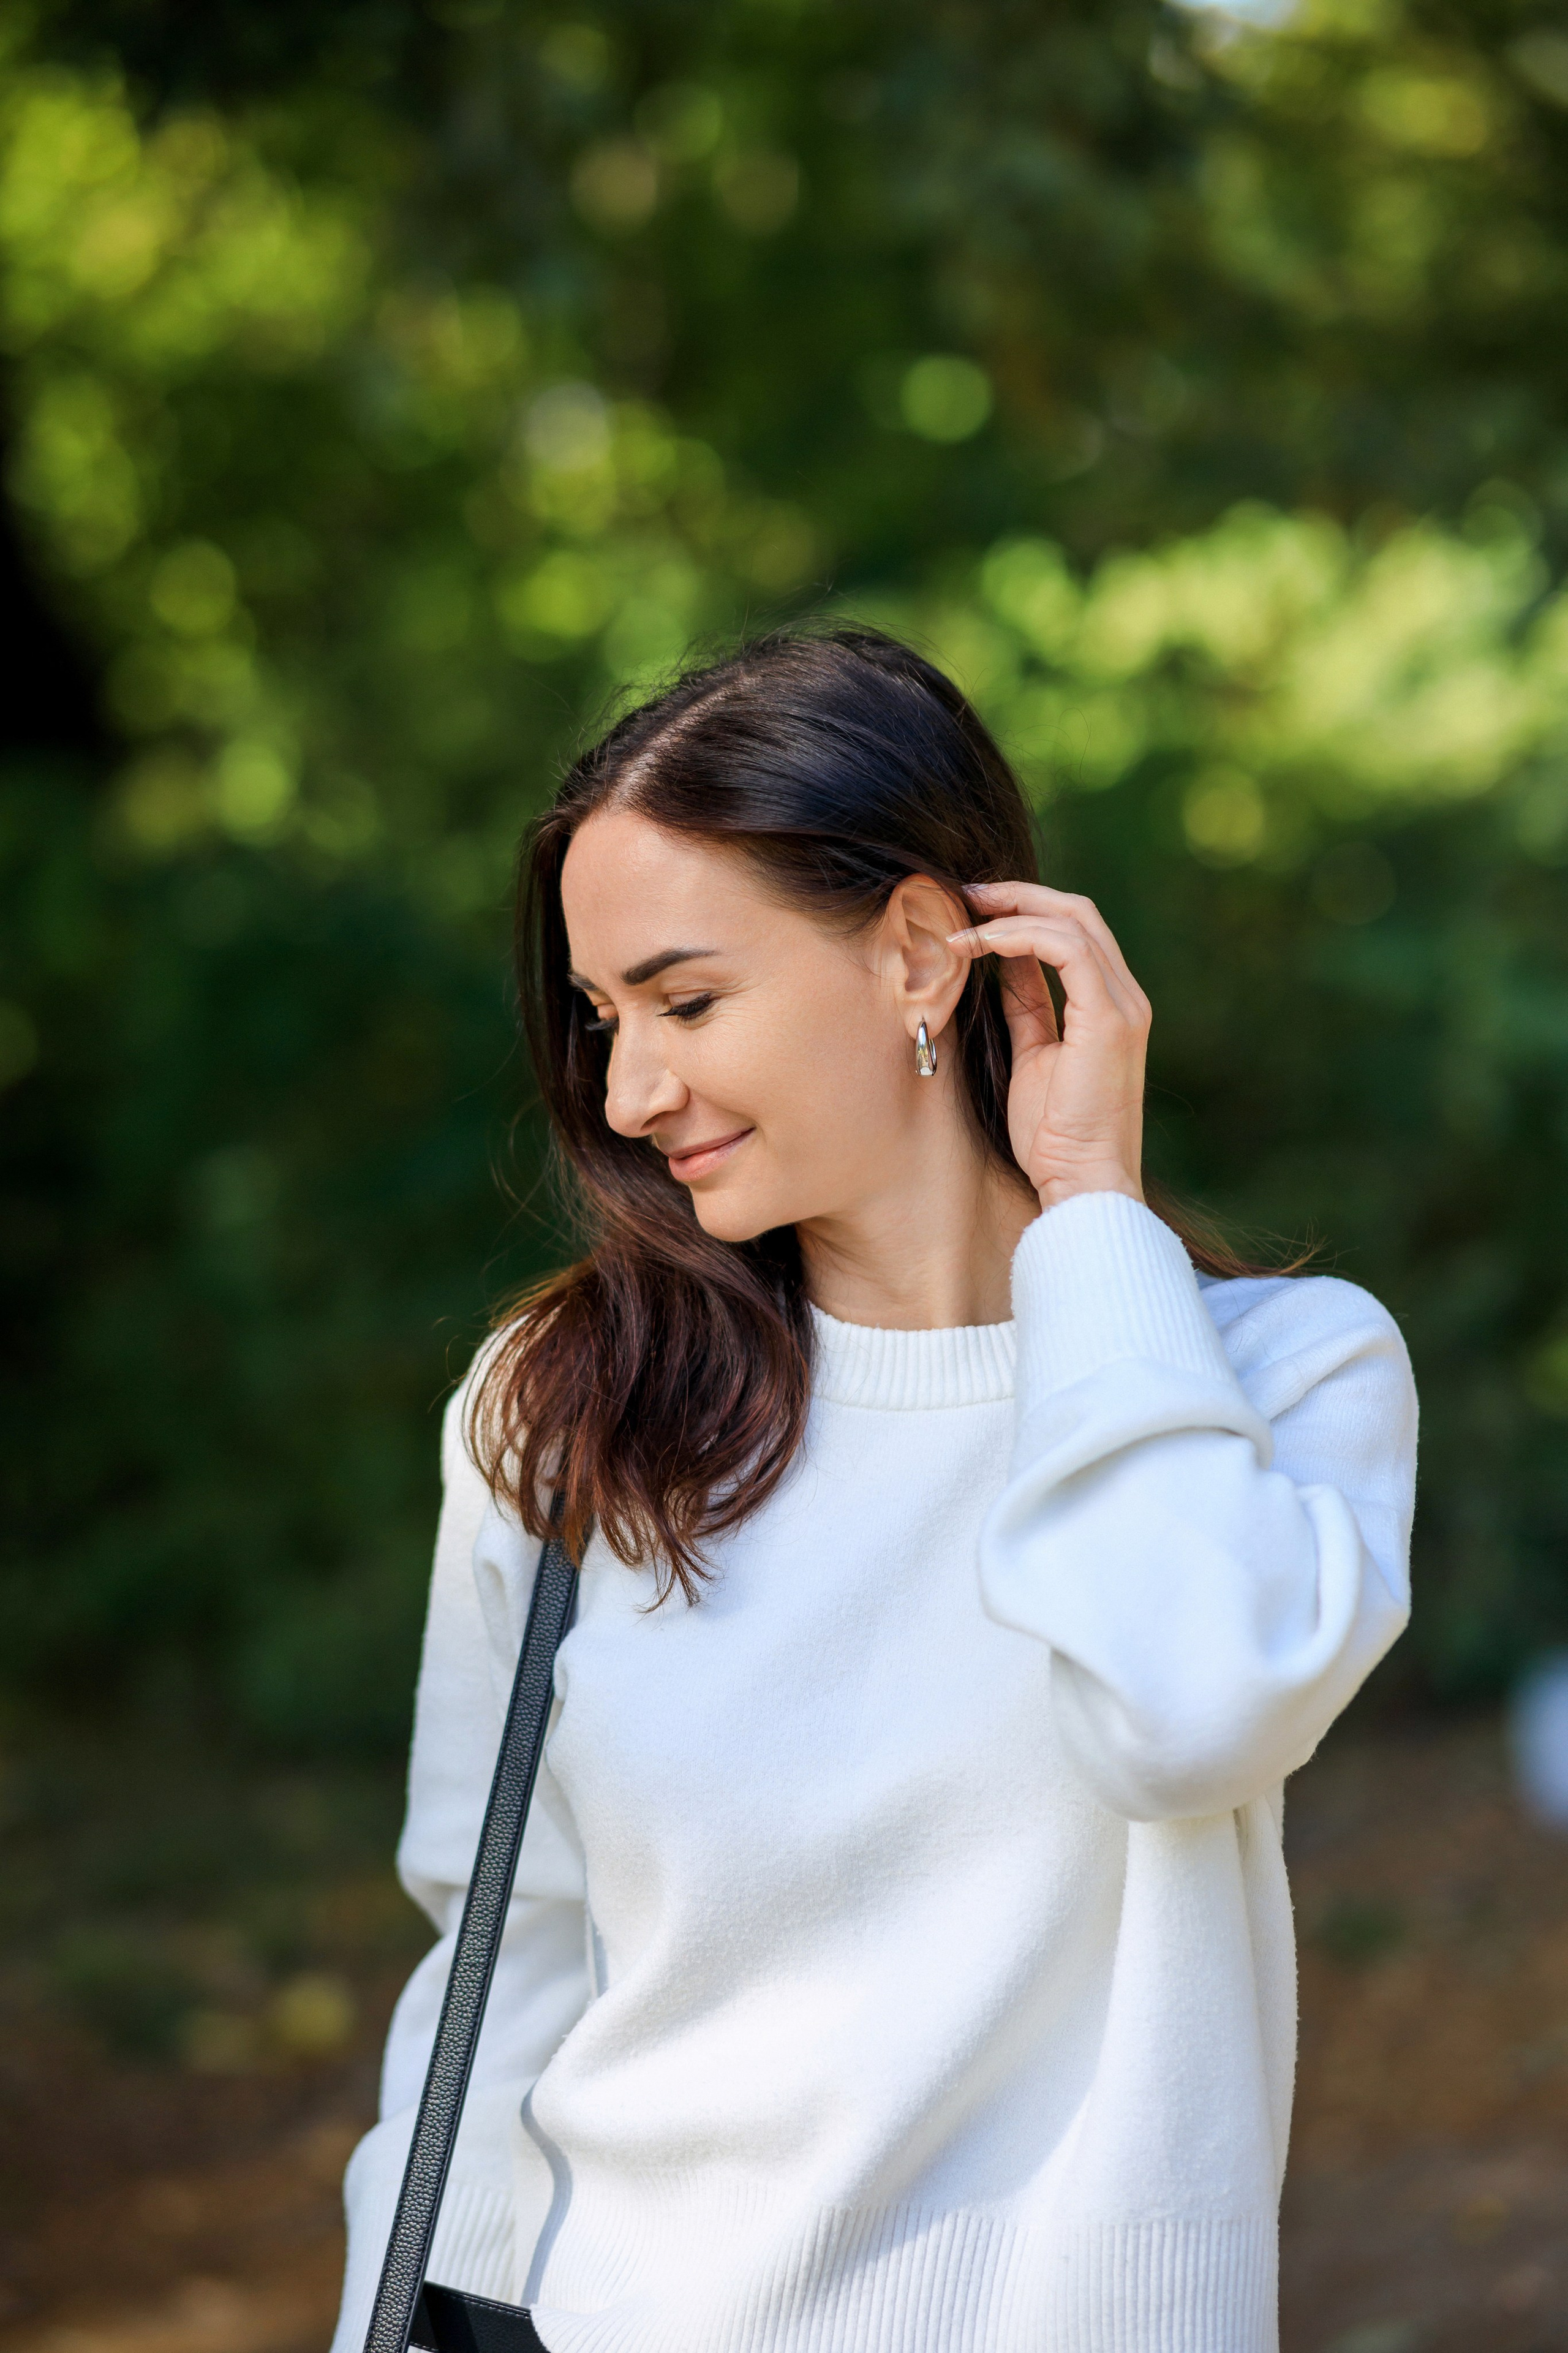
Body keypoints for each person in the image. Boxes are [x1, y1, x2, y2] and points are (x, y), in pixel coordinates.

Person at [331, 628, 1417, 2353]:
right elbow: (500, 1954)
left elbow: (1191, 1714)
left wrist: (1090, 1220)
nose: (628, 1089)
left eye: (686, 1001)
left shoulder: (1279, 1376)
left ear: (921, 949)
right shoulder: (561, 1414)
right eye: (605, 1018)